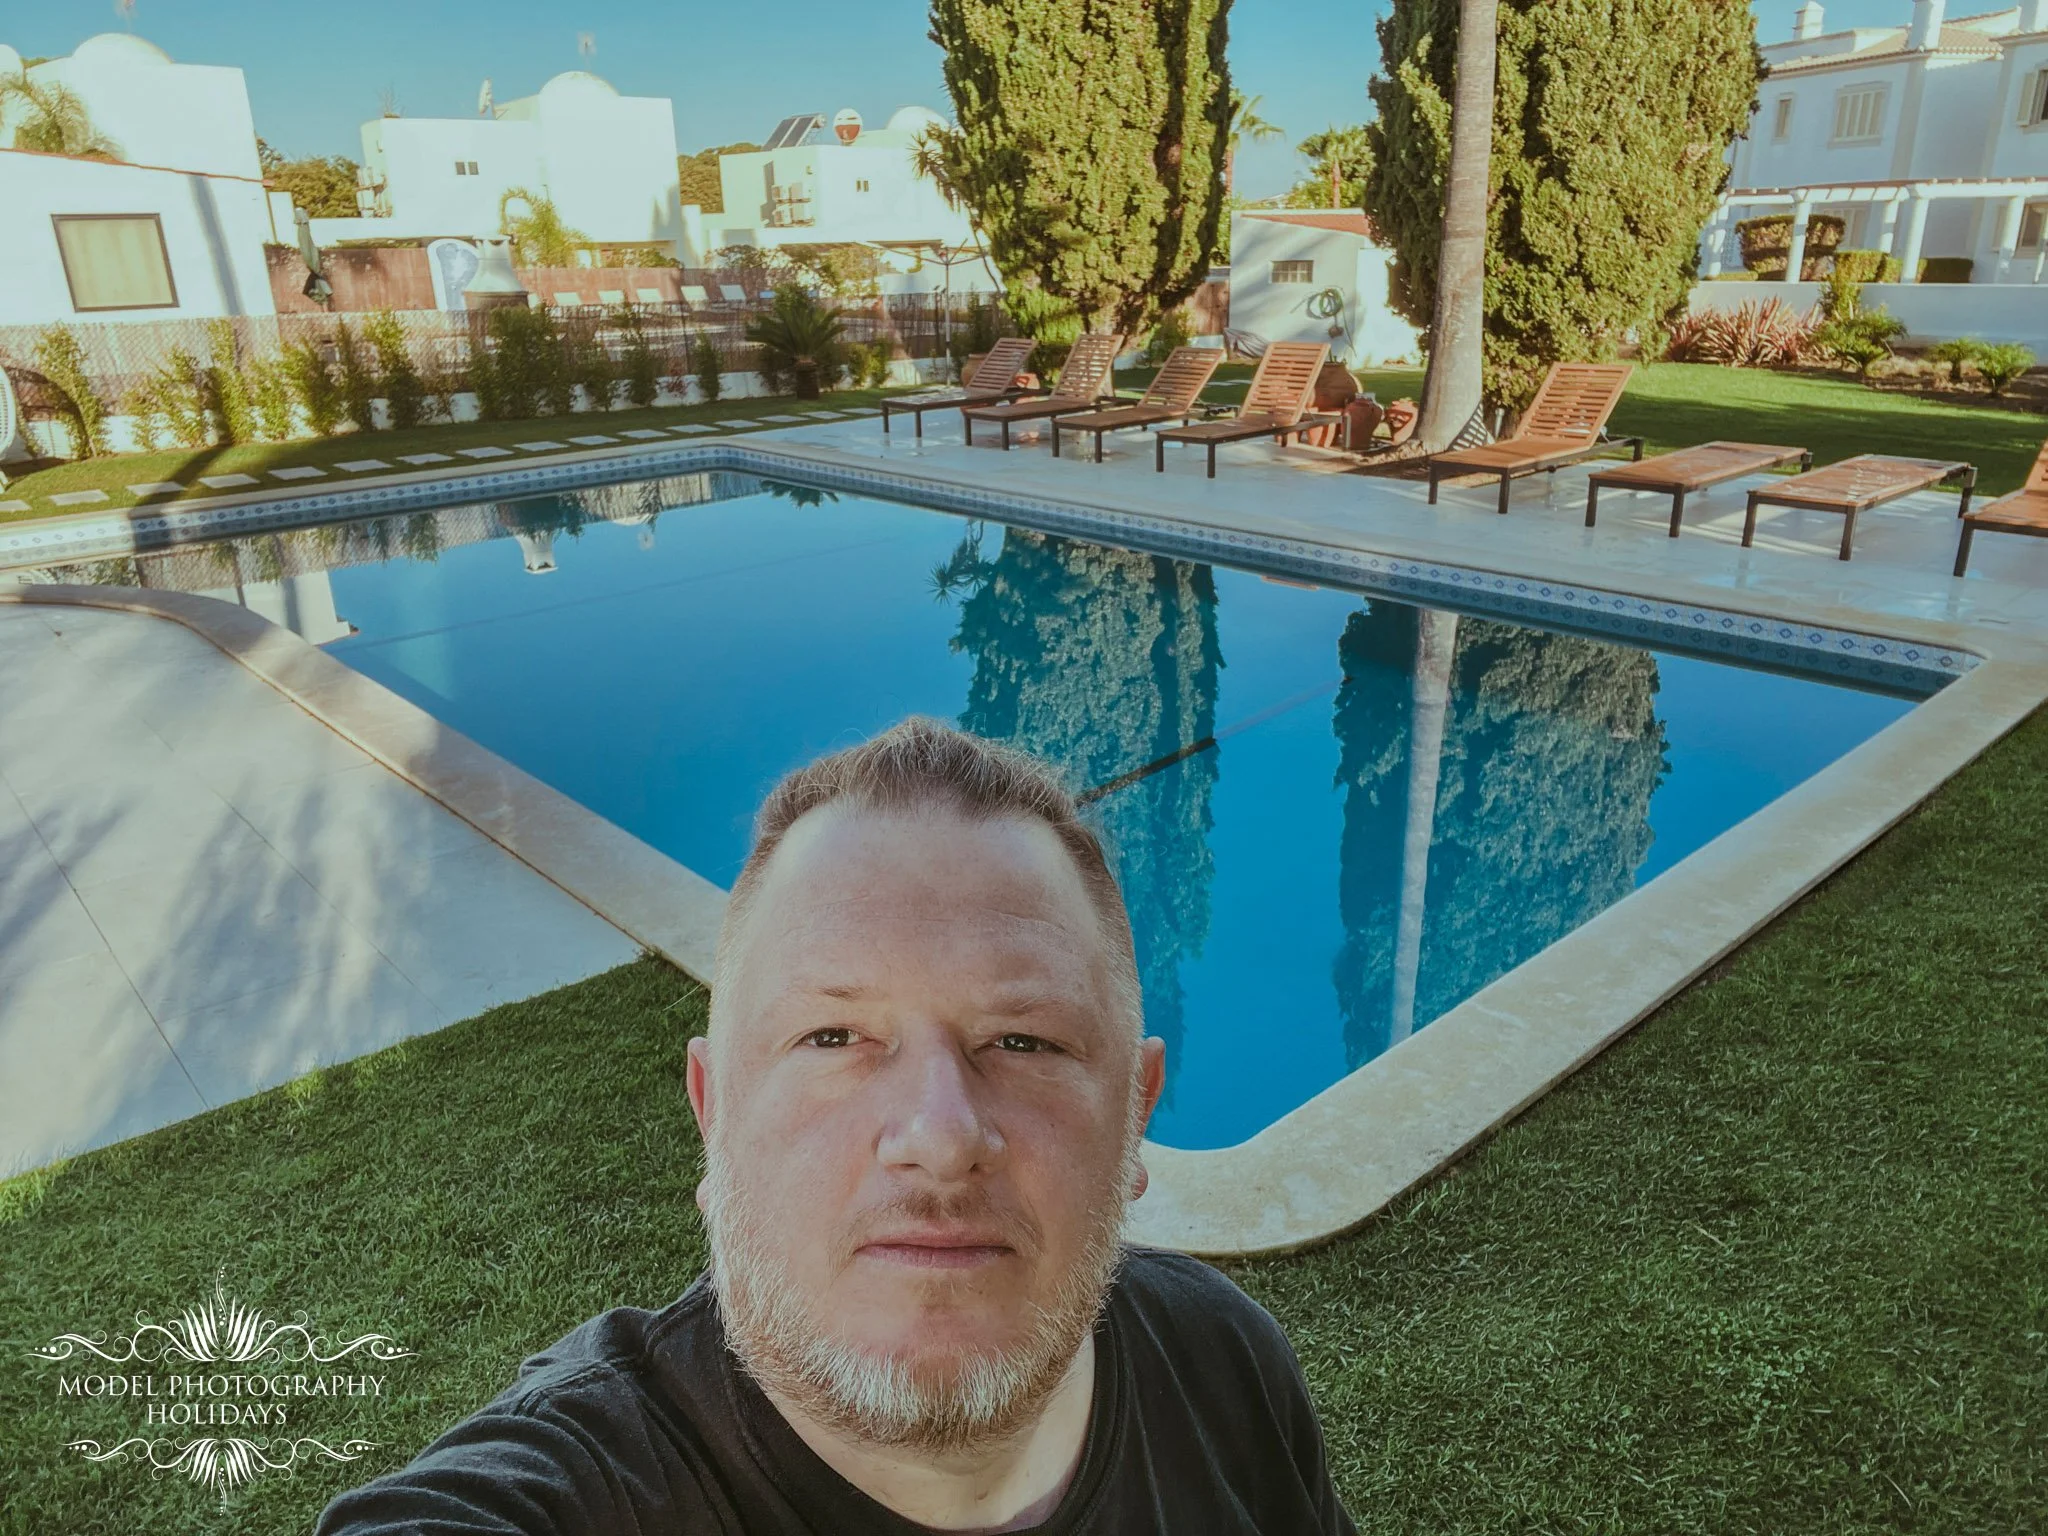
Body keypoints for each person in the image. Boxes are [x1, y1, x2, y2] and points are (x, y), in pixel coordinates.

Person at [316, 717, 1357, 1534]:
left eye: (1023, 1043)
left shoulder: (1216, 1358)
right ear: (712, 1114)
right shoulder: (580, 1493)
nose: (939, 1135)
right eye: (832, 1037)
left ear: (1133, 1116)